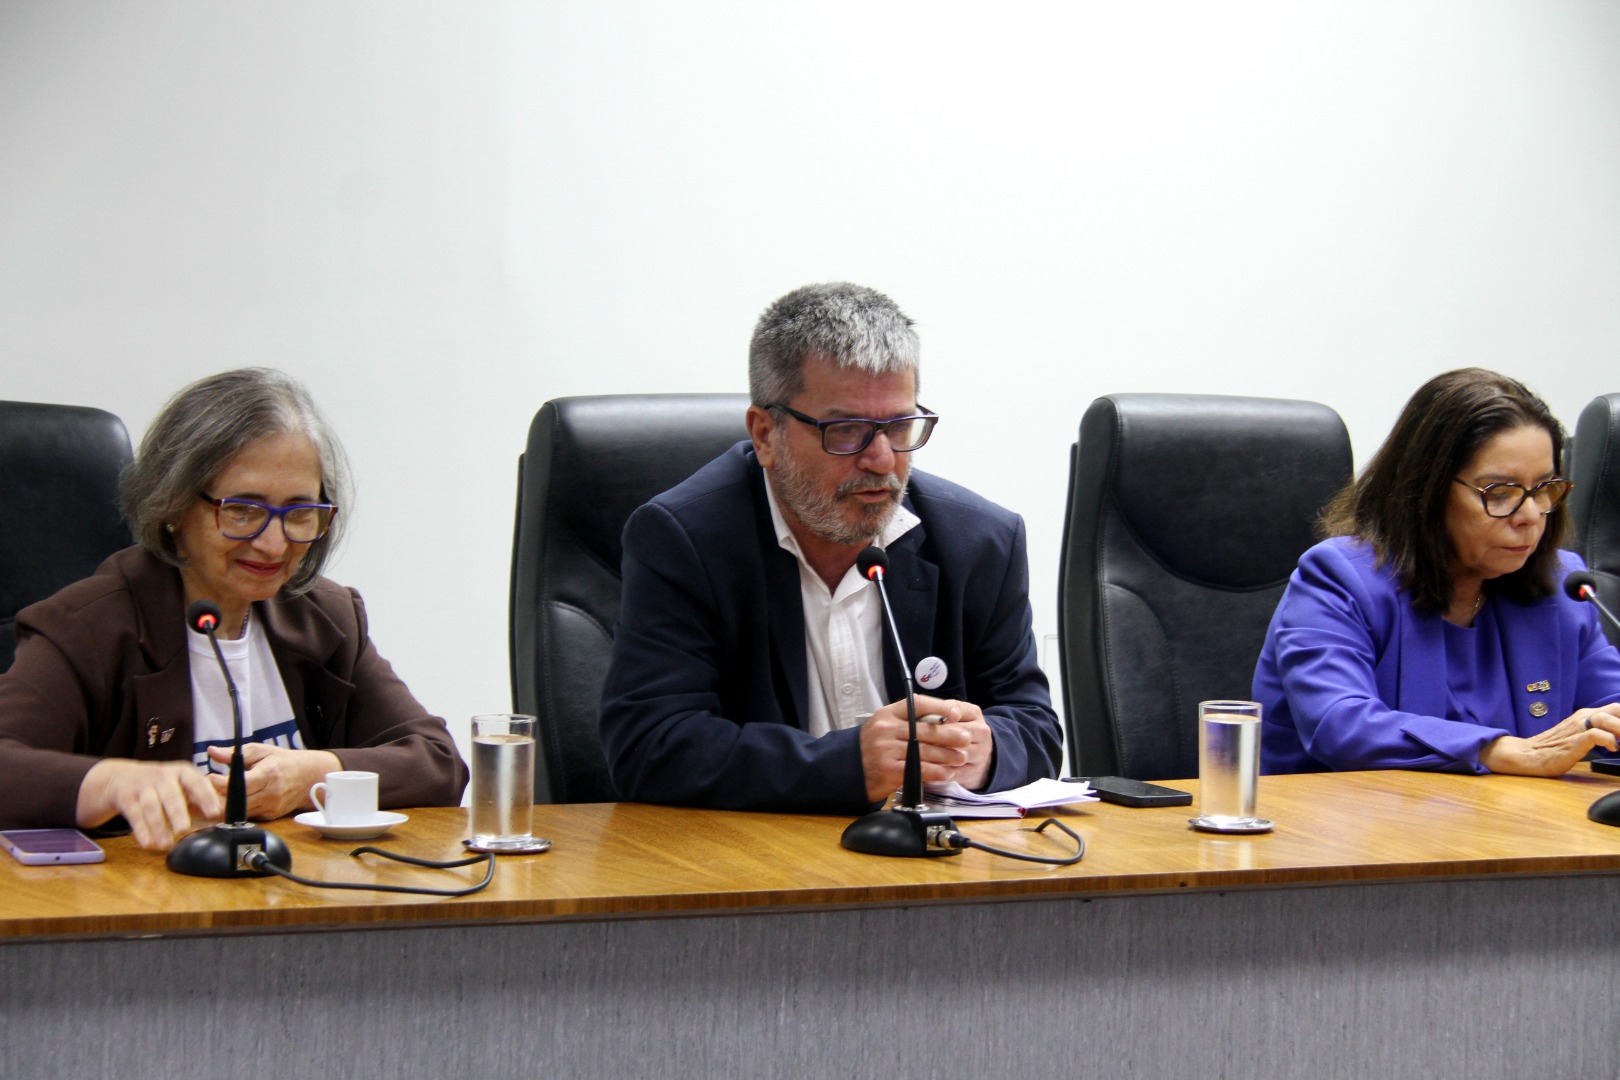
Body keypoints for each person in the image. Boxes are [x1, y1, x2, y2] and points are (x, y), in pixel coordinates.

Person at [599, 282, 1061, 812]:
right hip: (757, 854)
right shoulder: (686, 540)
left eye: (900, 426)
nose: (882, 460)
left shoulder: (980, 542)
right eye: (846, 430)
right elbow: (649, 745)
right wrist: (845, 765)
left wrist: (986, 752)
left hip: (935, 851)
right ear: (765, 434)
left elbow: (1036, 729)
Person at [0, 368, 467, 849]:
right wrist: (106, 783)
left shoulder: (325, 618)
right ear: (174, 505)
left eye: (299, 512)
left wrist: (314, 775)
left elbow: (438, 762)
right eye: (243, 510)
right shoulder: (87, 628)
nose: (273, 544)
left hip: (293, 888)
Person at [1254, 367, 1620, 776]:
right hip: (1344, 812)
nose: (1531, 516)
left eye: (1544, 488)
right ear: (1426, 491)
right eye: (1500, 493)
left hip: (1507, 816)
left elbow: (1610, 710)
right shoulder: (1339, 578)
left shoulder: (1562, 586)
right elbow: (1339, 725)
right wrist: (1497, 751)